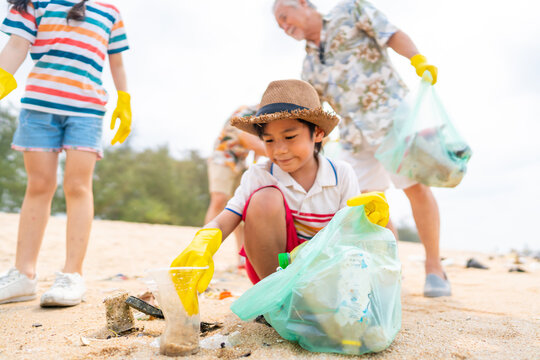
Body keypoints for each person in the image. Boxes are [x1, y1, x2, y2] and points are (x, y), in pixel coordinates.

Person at [273, 0, 450, 297]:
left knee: (414, 187)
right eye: (279, 25)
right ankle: (391, 267)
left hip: (391, 116)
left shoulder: (350, 11)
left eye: (284, 17)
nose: (284, 26)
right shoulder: (309, 64)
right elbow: (315, 108)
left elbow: (391, 33)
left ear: (302, 3)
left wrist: (416, 59)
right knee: (361, 202)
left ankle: (435, 268)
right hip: (354, 133)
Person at [170, 79, 389, 314]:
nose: (279, 150)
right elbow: (229, 215)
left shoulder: (341, 174)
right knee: (264, 198)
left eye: (290, 137)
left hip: (324, 266)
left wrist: (365, 221)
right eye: (269, 141)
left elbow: (348, 236)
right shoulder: (260, 173)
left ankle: (319, 303)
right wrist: (204, 243)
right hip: (276, 268)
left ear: (317, 133)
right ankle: (277, 302)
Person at [0, 0, 131, 306]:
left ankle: (72, 274)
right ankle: (23, 274)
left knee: (77, 186)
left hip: (86, 112)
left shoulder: (109, 11)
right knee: (39, 185)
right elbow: (17, 45)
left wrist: (124, 98)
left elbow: (118, 62)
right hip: (38, 108)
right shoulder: (34, 3)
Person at [206, 105, 266, 269]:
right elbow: (249, 140)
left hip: (240, 163)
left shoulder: (263, 120)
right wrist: (280, 152)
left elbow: (257, 148)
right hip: (222, 158)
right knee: (219, 199)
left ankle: (241, 258)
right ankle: (204, 251)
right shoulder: (246, 112)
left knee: (240, 208)